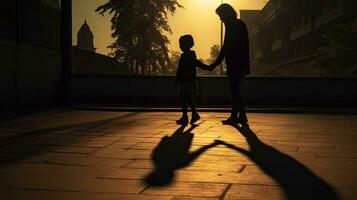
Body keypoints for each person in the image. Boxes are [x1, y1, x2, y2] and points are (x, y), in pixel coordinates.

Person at [209, 3, 250, 125]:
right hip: (239, 63)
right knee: (235, 89)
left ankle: (235, 116)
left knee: (234, 89)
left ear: (226, 14)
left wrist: (215, 64)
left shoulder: (234, 26)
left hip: (236, 64)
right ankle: (241, 115)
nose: (220, 19)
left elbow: (226, 47)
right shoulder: (238, 24)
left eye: (221, 16)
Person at [175, 34, 209, 125]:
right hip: (190, 80)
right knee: (188, 98)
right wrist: (206, 67)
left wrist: (177, 79)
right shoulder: (191, 55)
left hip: (186, 81)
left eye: (181, 44)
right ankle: (193, 114)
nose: (180, 46)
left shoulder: (185, 56)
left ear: (185, 45)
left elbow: (180, 69)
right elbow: (197, 63)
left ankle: (186, 116)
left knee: (184, 98)